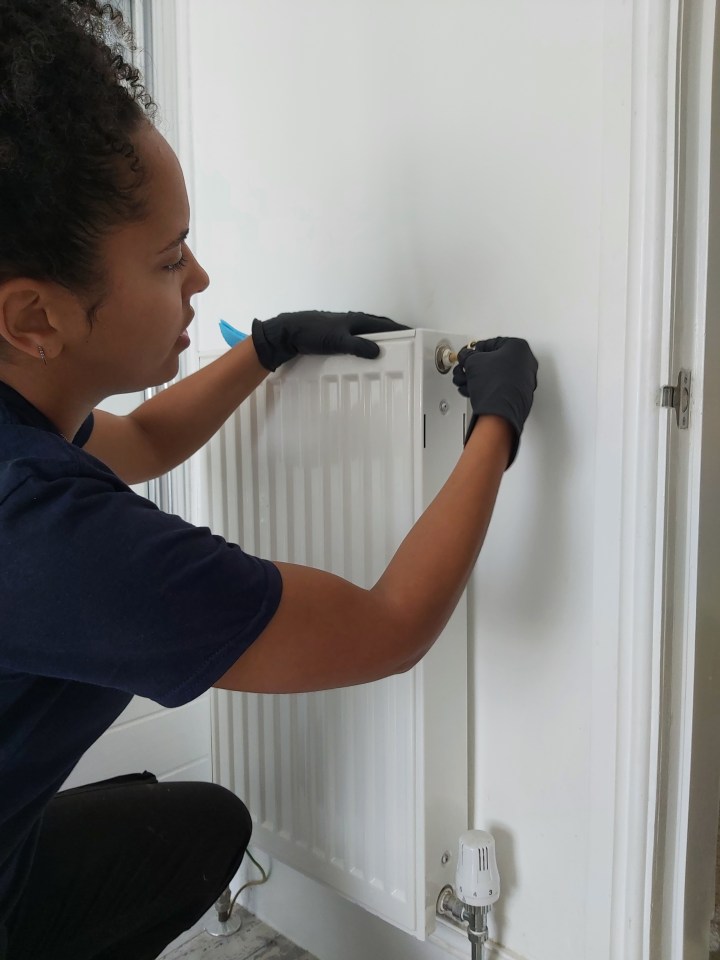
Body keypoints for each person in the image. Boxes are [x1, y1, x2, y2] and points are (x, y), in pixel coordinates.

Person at [0, 2, 538, 959]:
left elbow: (143, 441)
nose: (199, 277)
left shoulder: (23, 424)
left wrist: (267, 347)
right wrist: (495, 423)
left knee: (190, 824)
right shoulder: (46, 535)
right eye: (170, 260)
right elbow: (387, 627)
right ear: (35, 317)